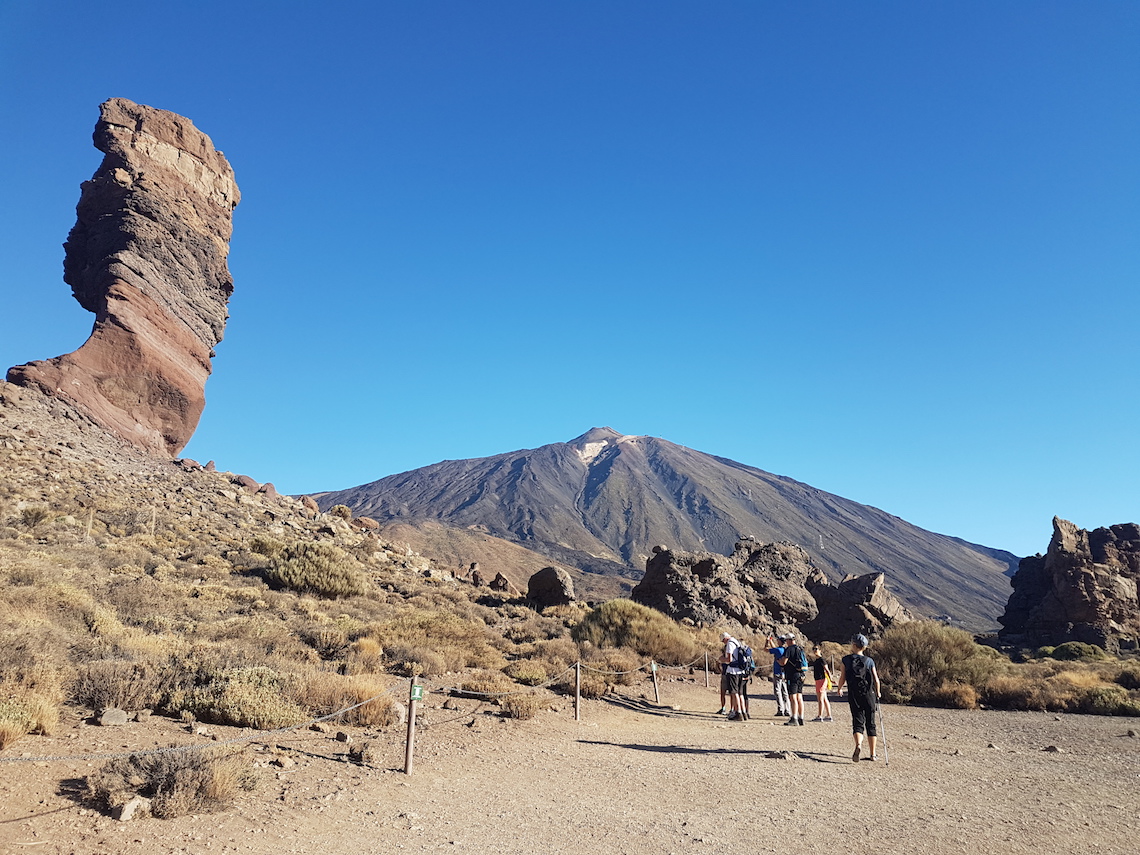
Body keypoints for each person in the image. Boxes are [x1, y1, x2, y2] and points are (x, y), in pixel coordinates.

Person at [835, 633, 882, 761]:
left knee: (857, 721)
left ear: (854, 645)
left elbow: (842, 677)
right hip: (868, 694)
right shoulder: (869, 661)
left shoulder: (846, 660)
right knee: (871, 723)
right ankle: (873, 754)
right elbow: (876, 679)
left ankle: (859, 744)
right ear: (864, 647)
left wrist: (839, 689)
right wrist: (878, 692)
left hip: (853, 694)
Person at [779, 632, 809, 726]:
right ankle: (801, 718)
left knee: (793, 697)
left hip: (792, 675)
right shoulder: (800, 648)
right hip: (801, 675)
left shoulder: (789, 649)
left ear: (788, 640)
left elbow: (784, 662)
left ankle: (794, 718)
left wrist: (778, 661)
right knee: (799, 697)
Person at [719, 631, 748, 721]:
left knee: (734, 692)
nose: (723, 643)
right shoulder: (736, 642)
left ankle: (738, 712)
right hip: (740, 671)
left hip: (733, 671)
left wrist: (721, 659)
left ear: (725, 639)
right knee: (740, 693)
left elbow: (729, 659)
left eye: (723, 641)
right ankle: (743, 712)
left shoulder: (730, 644)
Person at [765, 633, 790, 717]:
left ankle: (781, 709)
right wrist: (771, 641)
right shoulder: (784, 650)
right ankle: (787, 709)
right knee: (785, 691)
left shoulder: (778, 650)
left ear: (780, 641)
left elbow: (766, 649)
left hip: (777, 673)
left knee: (778, 691)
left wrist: (767, 641)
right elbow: (774, 648)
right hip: (784, 673)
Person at [810, 644, 834, 722]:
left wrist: (830, 679)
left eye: (816, 649)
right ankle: (828, 715)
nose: (815, 651)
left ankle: (820, 716)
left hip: (821, 680)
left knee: (820, 699)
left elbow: (826, 670)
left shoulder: (822, 660)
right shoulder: (816, 661)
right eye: (813, 649)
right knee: (824, 698)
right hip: (818, 680)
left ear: (820, 650)